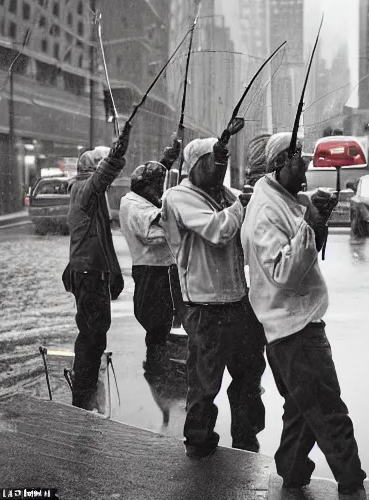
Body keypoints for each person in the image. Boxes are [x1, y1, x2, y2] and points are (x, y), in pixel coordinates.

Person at [241, 132, 367, 497]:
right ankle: (351, 483)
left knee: (301, 410)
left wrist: (316, 218)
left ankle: (293, 476)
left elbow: (301, 248)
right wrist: (311, 224)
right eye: (299, 162)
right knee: (328, 411)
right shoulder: (266, 210)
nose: (307, 168)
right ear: (280, 163)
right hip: (294, 330)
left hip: (292, 328)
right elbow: (284, 272)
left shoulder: (283, 199)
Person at [161, 135, 266, 459]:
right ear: (195, 165)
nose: (220, 168)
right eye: (213, 161)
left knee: (250, 376)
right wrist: (241, 206)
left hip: (238, 301)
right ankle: (199, 441)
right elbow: (218, 231)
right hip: (205, 307)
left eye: (223, 161)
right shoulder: (178, 197)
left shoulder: (226, 195)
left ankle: (247, 441)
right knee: (205, 382)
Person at [62, 124, 131, 411]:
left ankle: (84, 392)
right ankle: (83, 397)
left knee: (93, 334)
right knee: (92, 336)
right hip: (89, 274)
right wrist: (118, 152)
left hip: (88, 271)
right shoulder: (84, 190)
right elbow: (102, 177)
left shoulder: (86, 194)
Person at [119, 142, 180, 374]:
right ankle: (157, 368)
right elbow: (153, 234)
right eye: (157, 185)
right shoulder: (133, 205)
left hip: (163, 270)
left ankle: (159, 362)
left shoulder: (142, 197)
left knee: (164, 322)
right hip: (151, 271)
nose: (160, 190)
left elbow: (153, 189)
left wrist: (166, 161)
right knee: (157, 323)